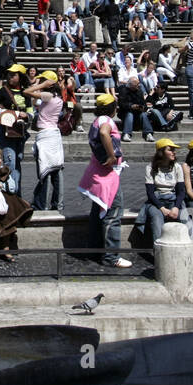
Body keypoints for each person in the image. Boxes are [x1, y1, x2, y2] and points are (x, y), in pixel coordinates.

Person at [78, 93, 132, 268]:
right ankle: (111, 257)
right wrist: (111, 155)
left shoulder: (97, 120)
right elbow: (104, 133)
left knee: (97, 214)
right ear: (112, 108)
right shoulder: (105, 122)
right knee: (113, 213)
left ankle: (93, 250)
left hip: (98, 174)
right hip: (106, 177)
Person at [139, 138, 190, 256]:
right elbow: (150, 193)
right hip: (157, 201)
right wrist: (162, 208)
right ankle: (160, 254)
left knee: (187, 219)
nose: (174, 152)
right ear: (161, 152)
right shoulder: (150, 167)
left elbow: (181, 191)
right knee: (156, 219)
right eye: (170, 149)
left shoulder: (177, 167)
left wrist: (176, 207)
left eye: (174, 150)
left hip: (173, 199)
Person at [26, 71, 66, 211]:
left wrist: (42, 84)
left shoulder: (48, 96)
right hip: (54, 134)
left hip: (46, 135)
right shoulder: (56, 97)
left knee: (45, 170)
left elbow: (27, 91)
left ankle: (41, 203)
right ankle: (57, 203)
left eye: (43, 80)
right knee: (56, 169)